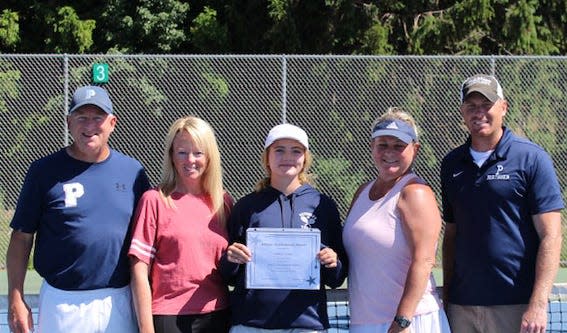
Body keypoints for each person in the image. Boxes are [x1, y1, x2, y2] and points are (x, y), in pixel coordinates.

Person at [6, 85, 151, 333]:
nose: (90, 126)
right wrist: (15, 298)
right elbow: (21, 239)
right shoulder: (44, 171)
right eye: (81, 117)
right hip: (63, 302)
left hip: (119, 299)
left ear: (112, 123)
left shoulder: (133, 171)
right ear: (68, 122)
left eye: (98, 118)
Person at [441, 74, 564, 333]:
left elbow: (551, 235)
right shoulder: (451, 164)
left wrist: (538, 305)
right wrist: (448, 296)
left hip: (516, 306)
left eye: (486, 104)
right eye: (471, 106)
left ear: (503, 107)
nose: (479, 113)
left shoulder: (532, 158)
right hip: (462, 307)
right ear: (462, 112)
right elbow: (451, 235)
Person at [219, 123, 347, 332]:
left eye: (296, 151)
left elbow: (337, 278)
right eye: (279, 150)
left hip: (308, 324)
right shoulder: (247, 206)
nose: (287, 157)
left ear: (305, 158)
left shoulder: (323, 205)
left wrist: (333, 262)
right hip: (252, 324)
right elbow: (229, 276)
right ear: (267, 157)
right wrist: (231, 258)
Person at [342, 107, 450, 333]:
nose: (389, 152)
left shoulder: (415, 193)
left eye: (398, 146)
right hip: (364, 323)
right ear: (372, 147)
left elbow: (425, 259)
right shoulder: (362, 192)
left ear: (415, 149)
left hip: (408, 323)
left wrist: (403, 320)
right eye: (383, 145)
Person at [128, 116, 233, 333]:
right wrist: (146, 328)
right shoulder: (154, 200)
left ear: (210, 157)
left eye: (198, 153)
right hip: (169, 317)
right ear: (172, 157)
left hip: (218, 314)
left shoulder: (223, 202)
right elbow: (139, 270)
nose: (190, 160)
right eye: (182, 152)